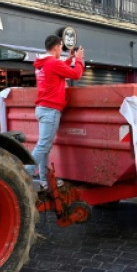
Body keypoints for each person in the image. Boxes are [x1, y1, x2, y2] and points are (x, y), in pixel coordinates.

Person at [30, 35, 85, 189]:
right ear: (56, 47)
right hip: (50, 110)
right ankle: (24, 173)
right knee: (43, 146)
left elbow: (57, 70)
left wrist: (68, 59)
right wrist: (78, 59)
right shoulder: (53, 63)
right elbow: (76, 75)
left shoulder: (42, 64)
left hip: (41, 108)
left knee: (44, 147)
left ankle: (44, 180)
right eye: (61, 47)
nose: (61, 49)